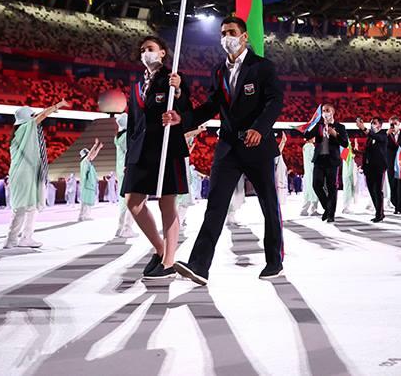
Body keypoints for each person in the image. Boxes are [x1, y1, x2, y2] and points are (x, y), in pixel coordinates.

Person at [165, 15, 285, 284]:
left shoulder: (263, 67)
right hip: (228, 147)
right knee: (215, 206)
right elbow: (211, 106)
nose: (226, 37)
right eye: (222, 33)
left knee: (268, 205)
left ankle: (274, 261)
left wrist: (260, 128)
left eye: (231, 32)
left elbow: (274, 101)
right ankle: (199, 265)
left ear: (244, 37)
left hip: (258, 146)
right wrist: (183, 120)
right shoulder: (218, 71)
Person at [121, 35, 192, 280]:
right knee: (133, 202)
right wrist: (129, 154)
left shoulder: (172, 78)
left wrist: (179, 89)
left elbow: (186, 109)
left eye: (150, 49)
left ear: (162, 52)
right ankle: (161, 249)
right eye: (142, 50)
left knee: (166, 203)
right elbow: (132, 122)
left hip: (166, 147)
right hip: (140, 151)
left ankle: (169, 260)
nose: (145, 53)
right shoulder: (135, 85)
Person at [5, 101, 67, 249]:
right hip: (24, 174)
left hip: (26, 173)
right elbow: (43, 115)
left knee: (28, 207)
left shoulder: (20, 132)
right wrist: (58, 105)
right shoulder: (25, 129)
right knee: (24, 207)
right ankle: (15, 239)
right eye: (32, 116)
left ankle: (20, 238)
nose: (35, 118)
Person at [304, 102, 348, 223]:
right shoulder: (318, 126)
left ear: (332, 112)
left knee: (331, 187)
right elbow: (306, 134)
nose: (325, 113)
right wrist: (313, 123)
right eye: (323, 110)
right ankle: (327, 208)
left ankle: (331, 214)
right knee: (316, 185)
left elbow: (345, 143)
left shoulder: (340, 127)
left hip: (332, 161)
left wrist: (335, 134)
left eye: (327, 110)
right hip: (319, 160)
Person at [358, 116, 389, 222]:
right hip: (369, 168)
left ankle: (379, 214)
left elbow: (376, 137)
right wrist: (358, 153)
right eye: (371, 122)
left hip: (379, 167)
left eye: (374, 122)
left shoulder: (383, 134)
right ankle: (379, 212)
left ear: (380, 125)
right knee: (372, 191)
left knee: (377, 190)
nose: (372, 124)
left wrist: (363, 128)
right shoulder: (370, 138)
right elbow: (367, 153)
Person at [113, 113, 135, 238]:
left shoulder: (119, 137)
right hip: (128, 171)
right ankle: (127, 228)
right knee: (131, 200)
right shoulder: (127, 137)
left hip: (121, 171)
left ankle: (120, 228)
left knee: (123, 201)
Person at [78, 140, 104, 222]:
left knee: (88, 200)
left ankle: (86, 215)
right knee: (85, 201)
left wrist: (98, 148)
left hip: (89, 184)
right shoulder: (85, 161)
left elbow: (93, 155)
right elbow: (90, 155)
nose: (91, 155)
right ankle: (82, 216)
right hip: (86, 185)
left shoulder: (87, 162)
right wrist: (95, 145)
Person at [299, 137, 320, 217]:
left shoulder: (305, 146)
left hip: (308, 172)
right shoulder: (310, 146)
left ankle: (304, 210)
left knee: (308, 192)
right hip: (312, 171)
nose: (315, 138)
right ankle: (313, 210)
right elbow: (314, 158)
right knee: (315, 190)